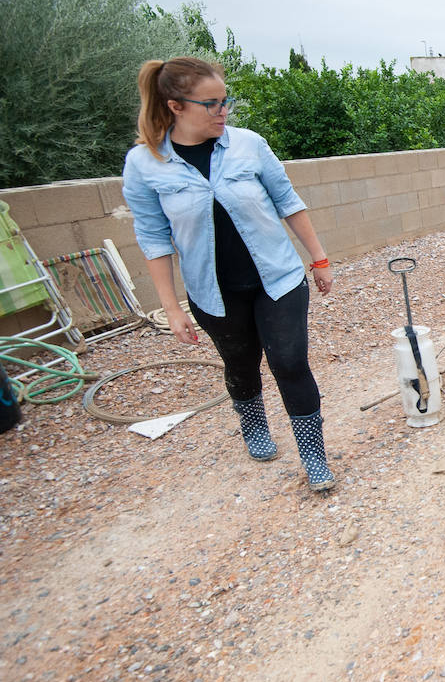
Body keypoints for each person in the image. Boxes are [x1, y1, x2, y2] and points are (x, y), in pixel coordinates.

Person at [122, 57, 337, 492]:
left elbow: (287, 201)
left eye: (225, 101)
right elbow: (154, 240)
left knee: (290, 362)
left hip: (277, 279)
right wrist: (170, 307)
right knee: (240, 364)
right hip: (213, 292)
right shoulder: (144, 165)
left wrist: (318, 258)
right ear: (176, 106)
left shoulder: (249, 145)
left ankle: (313, 454)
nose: (224, 111)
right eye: (212, 104)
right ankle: (254, 425)